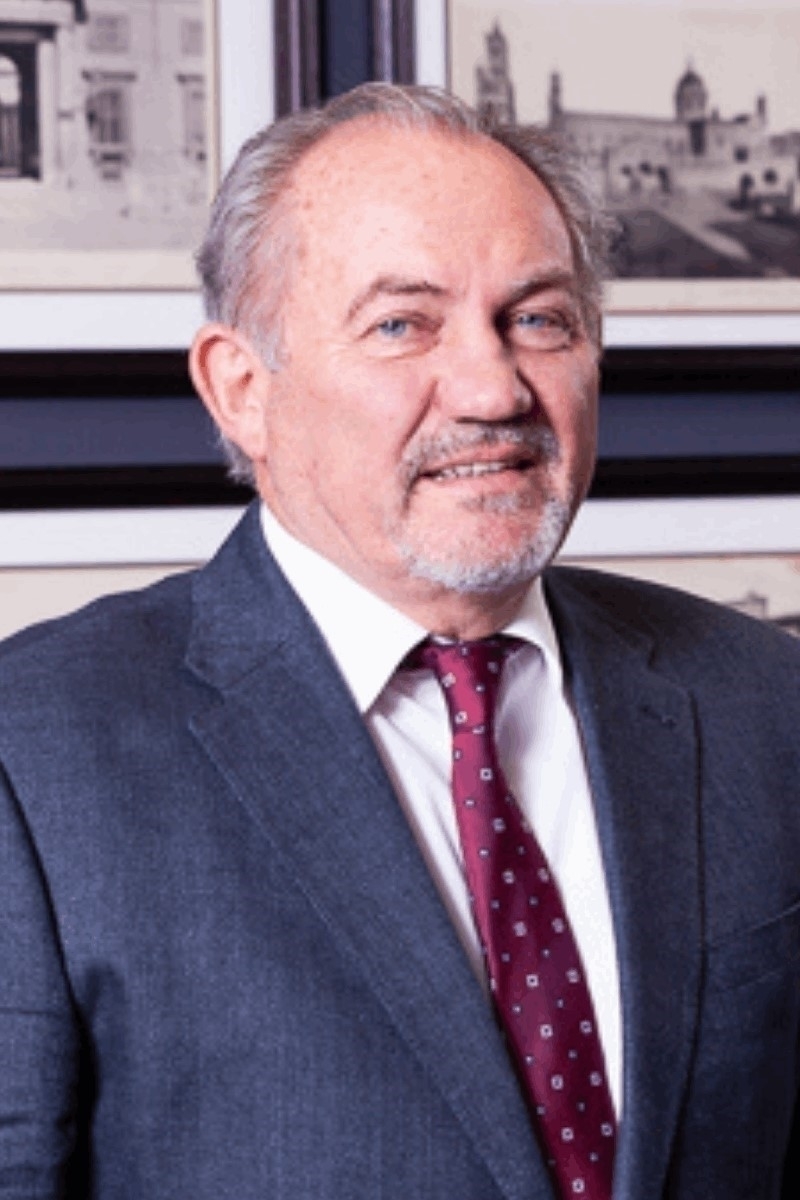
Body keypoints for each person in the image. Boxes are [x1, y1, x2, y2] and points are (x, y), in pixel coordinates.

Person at [0, 83, 798, 1200]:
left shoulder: (765, 701)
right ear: (241, 389)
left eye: (537, 319)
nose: (492, 389)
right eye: (400, 325)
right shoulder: (34, 755)